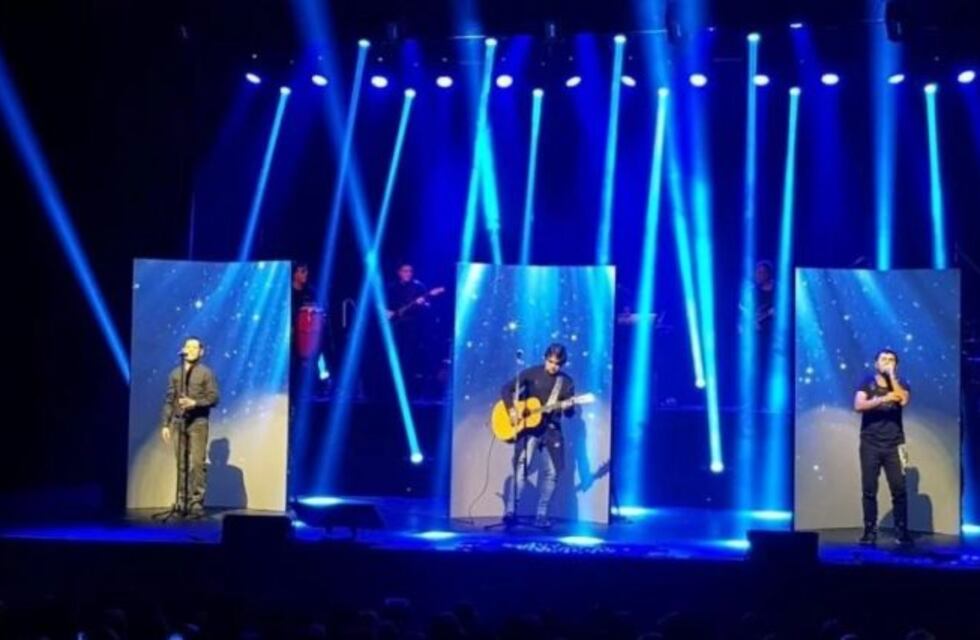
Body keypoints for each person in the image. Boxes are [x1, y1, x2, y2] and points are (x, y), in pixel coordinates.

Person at [499, 343, 576, 529]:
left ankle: (541, 515)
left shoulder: (566, 382)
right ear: (545, 358)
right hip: (531, 429)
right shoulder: (531, 373)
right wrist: (512, 410)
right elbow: (506, 389)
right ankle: (510, 511)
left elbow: (569, 414)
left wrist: (569, 407)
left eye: (557, 364)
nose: (553, 366)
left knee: (553, 472)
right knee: (522, 468)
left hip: (552, 430)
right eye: (550, 362)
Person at [853, 348, 912, 545]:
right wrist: (883, 399)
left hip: (895, 444)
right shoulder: (866, 382)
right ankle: (870, 530)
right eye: (884, 359)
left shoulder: (901, 383)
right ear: (876, 363)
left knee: (899, 489)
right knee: (869, 489)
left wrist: (892, 378)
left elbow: (902, 400)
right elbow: (859, 405)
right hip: (870, 443)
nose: (887, 362)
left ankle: (901, 531)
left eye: (892, 360)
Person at [160, 336, 219, 517]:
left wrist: (195, 403)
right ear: (183, 349)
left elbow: (214, 398)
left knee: (197, 464)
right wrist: (166, 424)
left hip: (198, 422)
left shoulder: (206, 373)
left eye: (195, 347)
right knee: (181, 463)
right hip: (179, 422)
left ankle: (196, 503)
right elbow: (169, 400)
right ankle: (181, 501)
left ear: (201, 352)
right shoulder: (175, 373)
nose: (191, 350)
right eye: (188, 346)